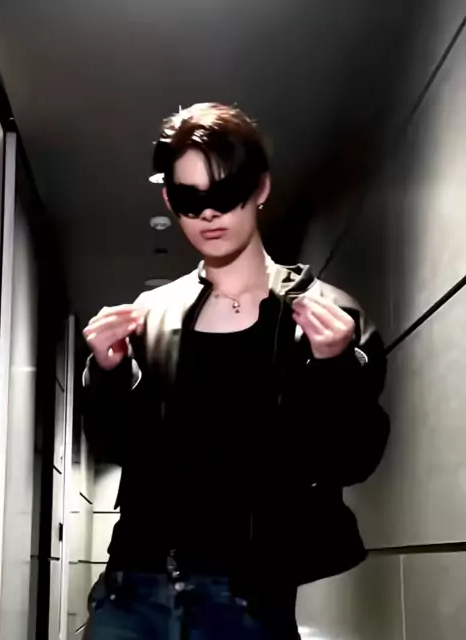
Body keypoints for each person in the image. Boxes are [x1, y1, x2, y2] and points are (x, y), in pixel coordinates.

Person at [82, 102, 389, 640]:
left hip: (247, 602)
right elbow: (114, 446)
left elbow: (351, 459)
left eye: (225, 194)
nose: (208, 214)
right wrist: (108, 372)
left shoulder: (329, 315)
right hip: (133, 592)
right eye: (189, 198)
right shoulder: (151, 313)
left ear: (260, 188)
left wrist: (335, 368)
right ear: (169, 200)